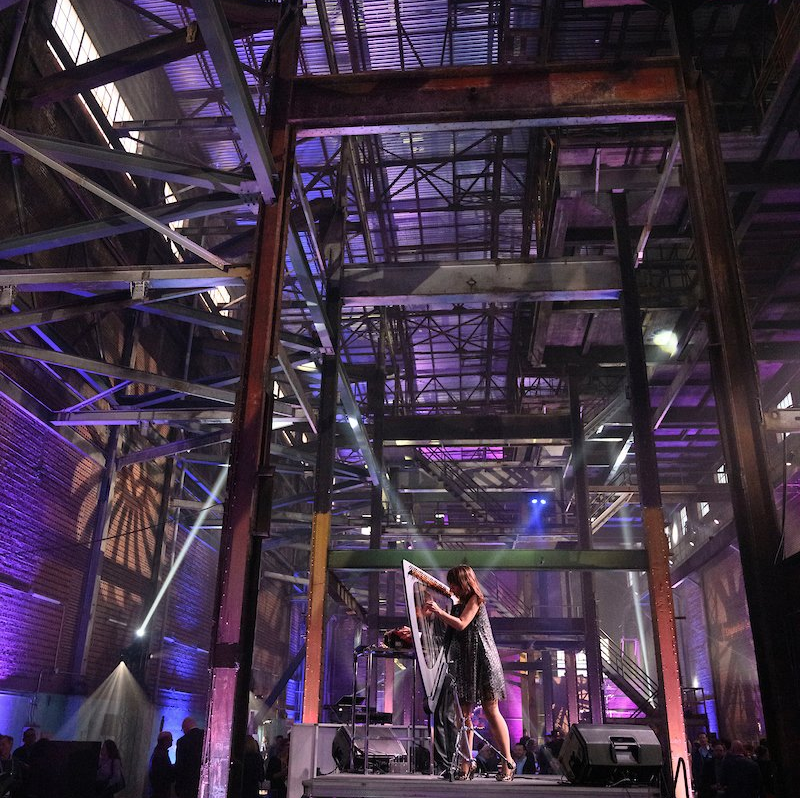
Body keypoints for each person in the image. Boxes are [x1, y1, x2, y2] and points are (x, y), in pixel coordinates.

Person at [424, 565, 514, 781]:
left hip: (482, 660)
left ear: (463, 582)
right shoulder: (458, 604)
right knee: (462, 717)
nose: (451, 587)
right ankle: (466, 764)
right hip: (466, 663)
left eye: (453, 582)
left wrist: (438, 610)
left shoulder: (475, 599)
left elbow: (462, 624)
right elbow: (451, 630)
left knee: (492, 712)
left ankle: (507, 762)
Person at [175, 718, 204, 798]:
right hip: (202, 781)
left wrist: (178, 786)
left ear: (185, 727)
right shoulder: (204, 735)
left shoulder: (182, 741)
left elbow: (180, 765)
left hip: (187, 783)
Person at [148, 731, 175, 798]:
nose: (172, 740)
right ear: (165, 740)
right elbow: (162, 772)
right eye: (170, 739)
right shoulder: (161, 754)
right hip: (160, 790)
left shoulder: (159, 752)